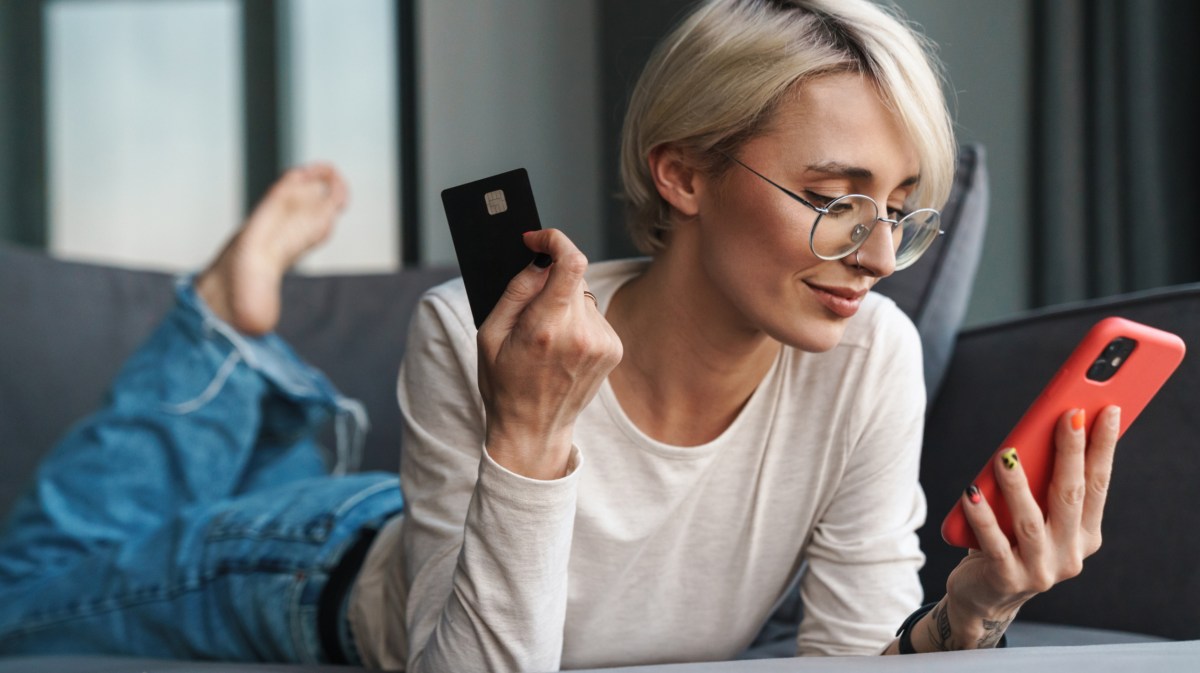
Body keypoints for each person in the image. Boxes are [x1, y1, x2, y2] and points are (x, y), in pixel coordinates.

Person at [0, 0, 1119, 670]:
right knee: (30, 596)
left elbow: (844, 661)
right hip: (328, 568)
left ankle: (262, 381)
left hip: (442, 519)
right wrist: (530, 426)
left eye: (899, 207)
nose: (877, 255)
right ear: (681, 171)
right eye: (834, 197)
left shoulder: (866, 354)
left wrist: (969, 615)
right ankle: (222, 330)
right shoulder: (471, 332)